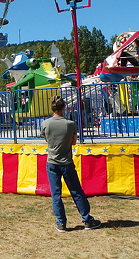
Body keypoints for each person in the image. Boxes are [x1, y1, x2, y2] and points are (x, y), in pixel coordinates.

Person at [40, 96, 101, 232]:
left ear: (52, 108)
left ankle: (61, 222)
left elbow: (46, 140)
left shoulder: (45, 124)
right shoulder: (70, 124)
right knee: (76, 191)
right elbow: (73, 142)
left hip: (52, 162)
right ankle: (87, 219)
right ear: (63, 108)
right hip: (66, 162)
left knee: (56, 194)